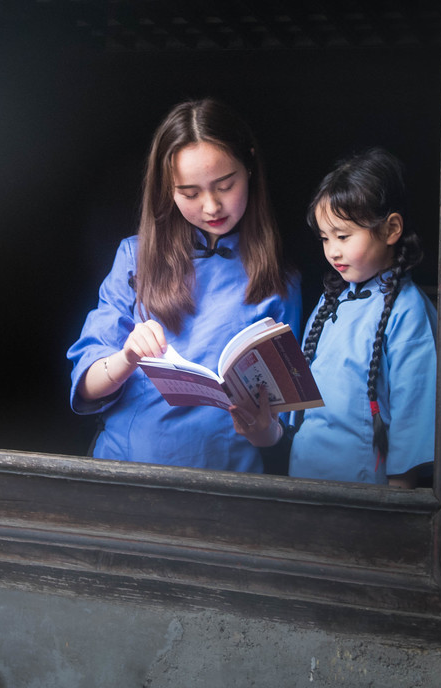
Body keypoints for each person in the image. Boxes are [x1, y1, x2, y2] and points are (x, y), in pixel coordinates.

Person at [67, 99, 301, 472]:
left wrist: (263, 432)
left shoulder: (278, 279)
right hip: (127, 470)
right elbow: (87, 385)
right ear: (168, 189)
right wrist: (127, 358)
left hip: (228, 480)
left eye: (225, 185)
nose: (211, 207)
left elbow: (284, 422)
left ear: (251, 167)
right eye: (190, 194)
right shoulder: (135, 257)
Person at [237, 147, 436, 487]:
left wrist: (399, 502)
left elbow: (414, 418)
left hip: (364, 492)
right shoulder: (332, 302)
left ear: (390, 230)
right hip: (306, 479)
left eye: (343, 236)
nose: (332, 251)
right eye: (325, 238)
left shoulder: (407, 310)